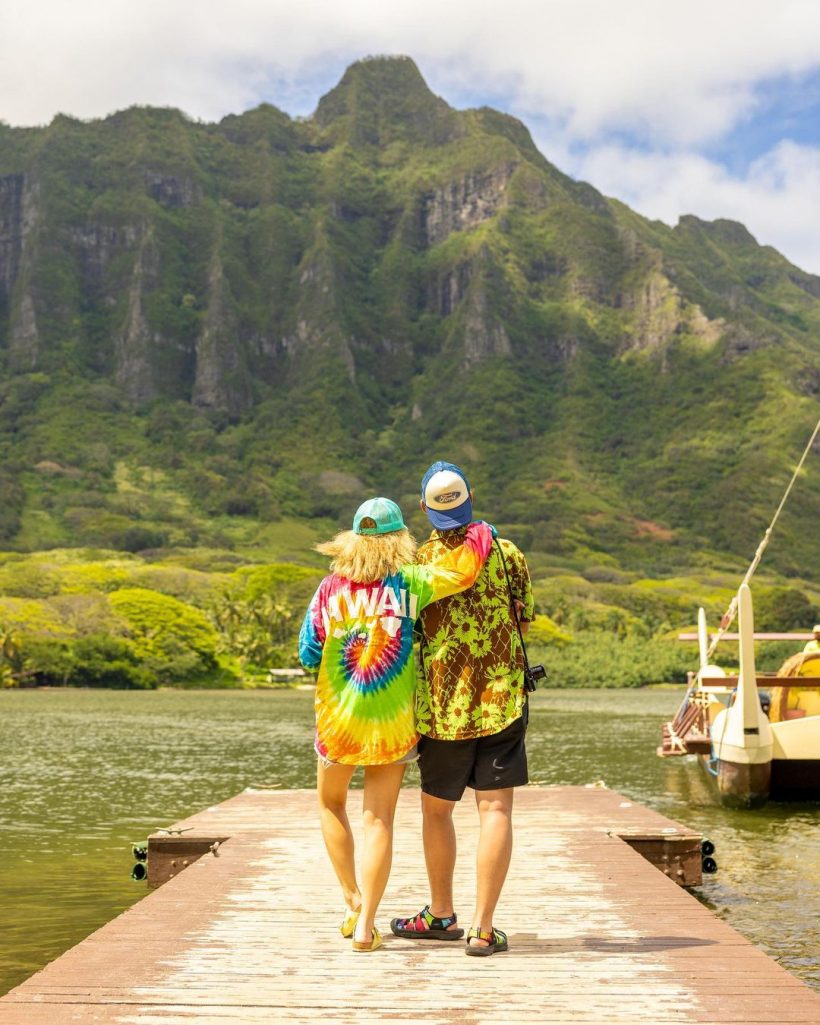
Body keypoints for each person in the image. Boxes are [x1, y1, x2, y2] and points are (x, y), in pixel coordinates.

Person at [299, 497, 492, 952]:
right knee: (378, 819)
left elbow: (309, 650)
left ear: (351, 539)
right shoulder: (411, 582)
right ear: (399, 539)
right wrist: (480, 530)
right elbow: (463, 572)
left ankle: (351, 899)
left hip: (338, 720)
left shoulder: (329, 589)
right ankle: (366, 925)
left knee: (330, 806)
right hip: (392, 722)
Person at [391, 461, 534, 957]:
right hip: (501, 700)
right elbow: (523, 619)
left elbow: (408, 633)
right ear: (470, 498)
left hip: (441, 708)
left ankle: (440, 913)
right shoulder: (506, 551)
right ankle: (482, 927)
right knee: (495, 809)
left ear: (428, 510)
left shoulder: (418, 565)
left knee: (436, 812)